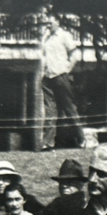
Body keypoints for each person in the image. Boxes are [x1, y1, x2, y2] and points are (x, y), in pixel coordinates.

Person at [41, 15, 83, 151]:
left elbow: (75, 55)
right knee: (50, 110)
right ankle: (47, 143)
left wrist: (66, 70)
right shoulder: (46, 37)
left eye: (50, 22)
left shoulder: (64, 35)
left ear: (57, 22)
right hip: (47, 78)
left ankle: (82, 138)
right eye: (46, 22)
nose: (48, 25)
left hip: (60, 76)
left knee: (69, 108)